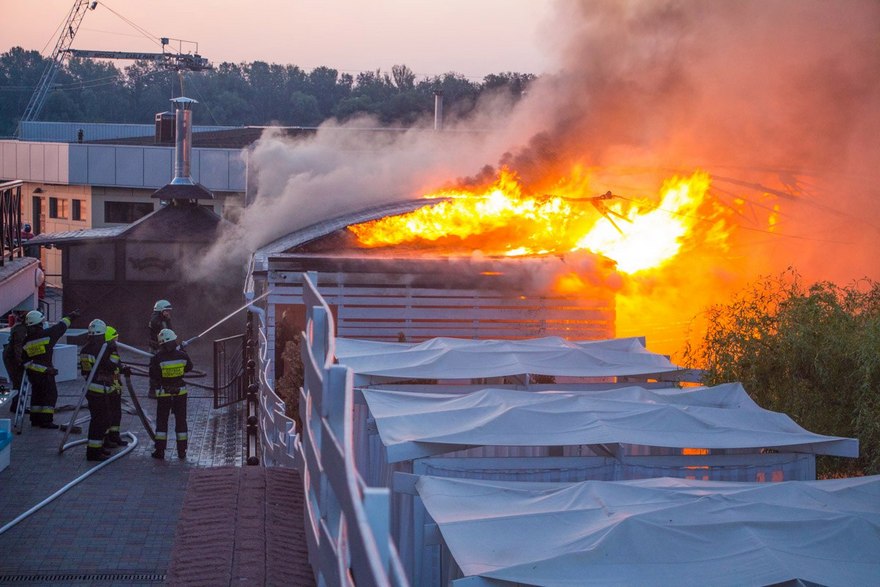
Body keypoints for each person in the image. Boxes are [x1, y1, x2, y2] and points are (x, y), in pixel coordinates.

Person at [22, 308, 79, 428]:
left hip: (33, 374)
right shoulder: (46, 335)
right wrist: (71, 316)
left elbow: (25, 361)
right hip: (45, 373)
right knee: (50, 395)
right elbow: (61, 327)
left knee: (37, 394)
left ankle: (35, 419)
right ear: (40, 323)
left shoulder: (26, 340)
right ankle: (46, 421)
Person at [149, 328, 192, 460]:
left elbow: (153, 374)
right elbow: (189, 367)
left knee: (162, 421)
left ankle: (160, 451)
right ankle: (182, 451)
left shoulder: (157, 358)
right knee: (181, 421)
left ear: (161, 343)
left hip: (164, 393)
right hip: (180, 392)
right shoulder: (182, 355)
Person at [79, 319, 113, 461]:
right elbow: (110, 366)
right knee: (100, 421)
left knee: (99, 420)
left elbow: (84, 370)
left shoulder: (85, 349)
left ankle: (98, 448)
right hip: (100, 389)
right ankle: (93, 453)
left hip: (90, 389)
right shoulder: (102, 349)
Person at [103, 325, 129, 448]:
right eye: (115, 338)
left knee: (116, 413)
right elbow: (111, 367)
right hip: (109, 387)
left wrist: (122, 368)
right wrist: (120, 367)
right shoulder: (106, 351)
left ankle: (115, 436)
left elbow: (116, 366)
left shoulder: (111, 350)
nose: (117, 341)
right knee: (108, 414)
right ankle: (106, 438)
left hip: (115, 386)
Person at [3, 310, 28, 413]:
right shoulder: (21, 330)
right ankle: (16, 407)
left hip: (10, 357)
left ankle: (15, 406)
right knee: (18, 382)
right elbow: (18, 347)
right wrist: (20, 361)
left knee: (17, 383)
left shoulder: (19, 328)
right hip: (12, 359)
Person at [147, 300, 173, 399]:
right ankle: (153, 390)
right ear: (160, 310)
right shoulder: (156, 321)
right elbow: (162, 335)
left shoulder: (164, 319)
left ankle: (162, 388)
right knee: (155, 368)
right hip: (157, 348)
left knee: (163, 368)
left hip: (163, 347)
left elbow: (169, 332)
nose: (168, 313)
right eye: (166, 311)